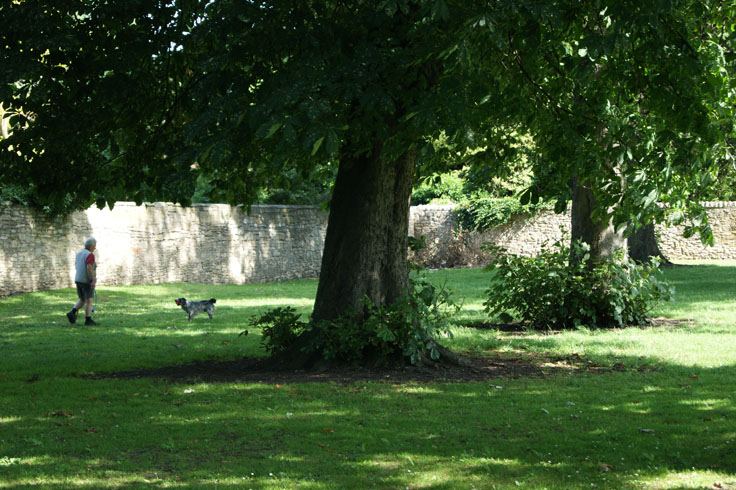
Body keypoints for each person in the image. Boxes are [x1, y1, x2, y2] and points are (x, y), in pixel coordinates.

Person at [66, 237, 99, 326]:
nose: (95, 248)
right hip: (86, 281)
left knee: (82, 299)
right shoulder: (90, 255)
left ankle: (72, 313)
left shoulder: (79, 253)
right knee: (89, 300)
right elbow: (89, 267)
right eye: (94, 246)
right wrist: (92, 280)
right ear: (90, 246)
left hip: (78, 279)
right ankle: (88, 320)